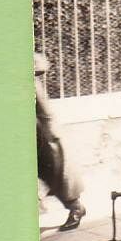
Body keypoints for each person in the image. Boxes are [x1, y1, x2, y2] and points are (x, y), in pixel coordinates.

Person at [35, 52, 85, 231]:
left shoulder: (29, 85)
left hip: (42, 135)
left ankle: (76, 208)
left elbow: (45, 113)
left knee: (55, 174)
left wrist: (52, 137)